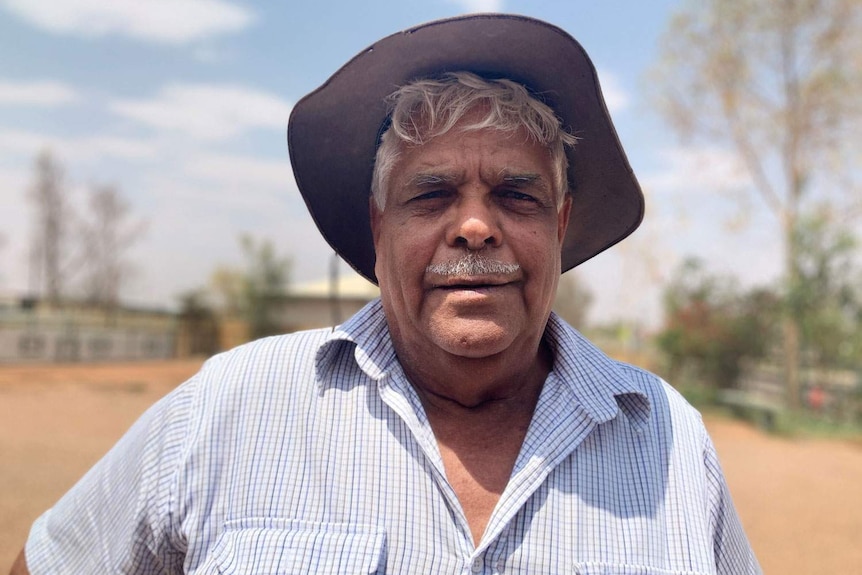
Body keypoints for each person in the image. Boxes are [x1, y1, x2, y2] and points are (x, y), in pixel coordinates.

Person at [11, 14, 761, 574]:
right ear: (379, 226)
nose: (474, 225)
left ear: (560, 224)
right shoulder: (228, 407)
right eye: (431, 194)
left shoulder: (668, 440)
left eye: (516, 195)